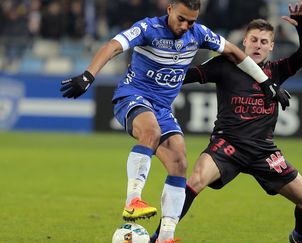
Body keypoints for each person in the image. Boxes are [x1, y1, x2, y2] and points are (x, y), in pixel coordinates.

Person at [59, 0, 288, 242]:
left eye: (191, 21)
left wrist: (264, 82)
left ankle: (166, 236)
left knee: (179, 159)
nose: (186, 25)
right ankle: (132, 201)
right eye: (181, 19)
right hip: (133, 96)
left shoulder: (198, 33)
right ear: (169, 10)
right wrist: (88, 75)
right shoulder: (148, 29)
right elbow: (114, 46)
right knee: (151, 131)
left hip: (162, 108)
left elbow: (234, 52)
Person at [151, 1, 302, 242]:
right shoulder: (223, 65)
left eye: (263, 42)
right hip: (228, 146)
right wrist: (159, 72)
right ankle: (160, 236)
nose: (258, 46)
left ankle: (299, 237)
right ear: (244, 42)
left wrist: (301, 27)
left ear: (271, 46)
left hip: (263, 151)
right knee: (195, 180)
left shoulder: (277, 71)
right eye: (254, 40)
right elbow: (188, 75)